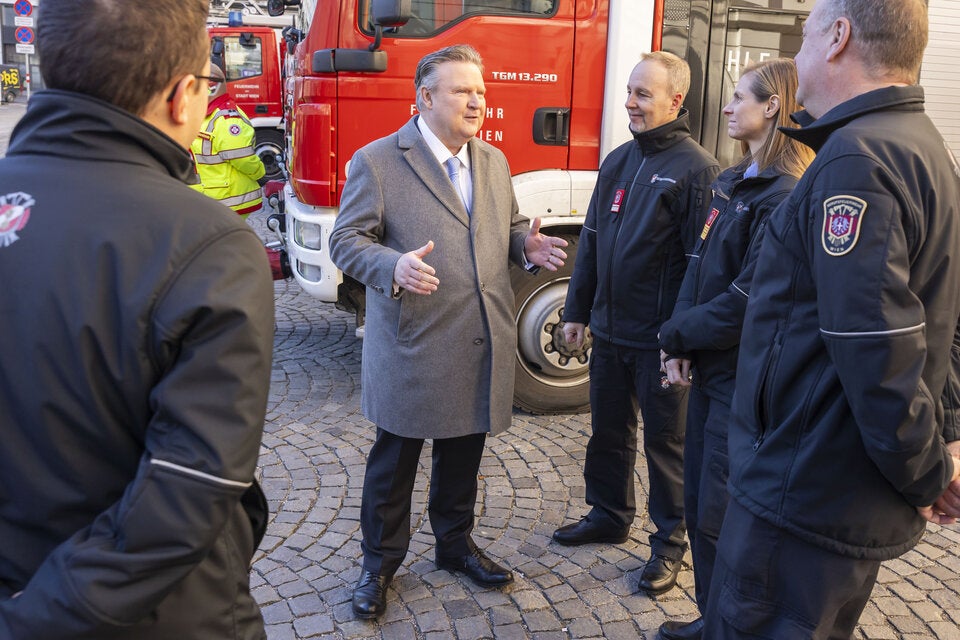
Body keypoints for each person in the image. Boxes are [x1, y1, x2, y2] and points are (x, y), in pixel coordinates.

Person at [0, 1, 275, 639]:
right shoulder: (208, 242)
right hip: (159, 616)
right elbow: (190, 486)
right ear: (182, 96)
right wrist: (30, 621)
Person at [704, 0, 960, 637]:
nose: (797, 54)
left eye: (806, 34)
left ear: (839, 36)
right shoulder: (922, 145)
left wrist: (929, 471)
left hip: (804, 491)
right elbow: (942, 319)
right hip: (830, 492)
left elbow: (877, 347)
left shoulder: (855, 160)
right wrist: (946, 438)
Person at [328, 44, 568, 620]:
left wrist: (526, 245)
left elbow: (507, 226)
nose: (477, 101)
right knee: (395, 462)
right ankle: (378, 564)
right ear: (425, 97)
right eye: (463, 91)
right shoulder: (378, 161)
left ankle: (455, 546)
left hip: (478, 336)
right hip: (414, 342)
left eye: (480, 91)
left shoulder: (493, 160)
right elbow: (346, 240)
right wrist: (393, 266)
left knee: (463, 451)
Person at [654, 58, 814, 640]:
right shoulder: (732, 179)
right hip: (710, 371)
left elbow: (746, 301)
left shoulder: (783, 194)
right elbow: (699, 270)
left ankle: (728, 627)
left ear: (772, 107)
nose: (725, 107)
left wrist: (674, 336)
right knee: (700, 510)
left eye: (739, 97)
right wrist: (681, 340)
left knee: (722, 520)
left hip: (743, 386)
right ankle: (711, 620)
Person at [553, 51, 719, 597]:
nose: (629, 102)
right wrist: (577, 310)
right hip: (610, 332)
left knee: (668, 445)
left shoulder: (698, 170)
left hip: (659, 342)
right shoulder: (619, 161)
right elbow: (592, 241)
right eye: (629, 91)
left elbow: (701, 267)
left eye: (642, 94)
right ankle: (609, 514)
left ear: (676, 100)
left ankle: (670, 543)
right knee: (608, 432)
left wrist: (682, 341)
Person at [191, 63, 267, 218]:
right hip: (212, 199)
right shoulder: (206, 114)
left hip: (226, 200)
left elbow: (242, 158)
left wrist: (260, 173)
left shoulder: (226, 119)